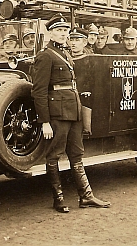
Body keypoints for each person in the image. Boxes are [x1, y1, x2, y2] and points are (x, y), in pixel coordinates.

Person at [32, 14, 110, 213]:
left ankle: (86, 196)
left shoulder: (65, 54)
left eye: (65, 30)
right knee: (54, 155)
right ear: (50, 32)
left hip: (73, 110)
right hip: (57, 113)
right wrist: (45, 122)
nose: (63, 34)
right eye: (59, 30)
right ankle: (58, 199)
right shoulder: (45, 55)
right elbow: (39, 90)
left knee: (76, 154)